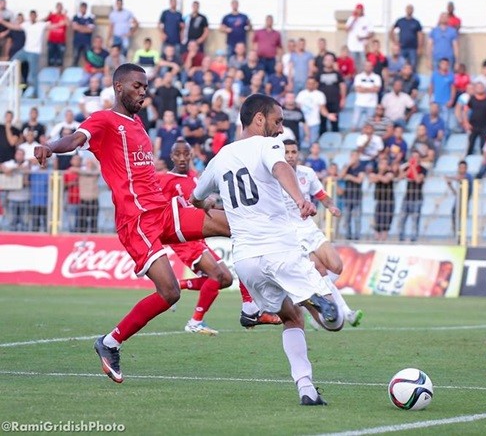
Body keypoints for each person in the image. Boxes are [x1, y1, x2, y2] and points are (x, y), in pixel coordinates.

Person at [32, 63, 233, 384]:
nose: (143, 92)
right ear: (119, 87)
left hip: (162, 210)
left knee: (232, 222)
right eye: (137, 86)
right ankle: (110, 342)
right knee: (169, 293)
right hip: (136, 220)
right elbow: (74, 139)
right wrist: (49, 148)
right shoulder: (104, 120)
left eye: (145, 87)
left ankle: (254, 303)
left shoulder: (137, 123)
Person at [191, 94, 343, 406]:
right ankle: (313, 297)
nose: (281, 128)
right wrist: (300, 199)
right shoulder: (267, 145)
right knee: (335, 321)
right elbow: (281, 168)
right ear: (259, 119)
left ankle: (306, 389)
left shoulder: (220, 158)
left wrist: (208, 202)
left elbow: (195, 198)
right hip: (279, 250)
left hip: (246, 262)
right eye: (278, 121)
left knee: (291, 317)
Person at [158, 139, 281, 333]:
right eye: (177, 154)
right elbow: (158, 212)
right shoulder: (165, 180)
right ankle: (196, 321)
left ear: (192, 155)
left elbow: (200, 206)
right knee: (218, 273)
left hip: (198, 237)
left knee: (225, 279)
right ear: (171, 156)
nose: (182, 158)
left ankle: (179, 286)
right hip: (184, 241)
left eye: (186, 154)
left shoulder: (194, 177)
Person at [283, 140, 363, 326]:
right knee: (319, 269)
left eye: (294, 152)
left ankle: (309, 300)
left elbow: (322, 196)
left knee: (336, 266)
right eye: (287, 152)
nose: (290, 156)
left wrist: (331, 206)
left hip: (310, 228)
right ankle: (346, 312)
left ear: (298, 154)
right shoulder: (274, 178)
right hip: (292, 233)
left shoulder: (307, 173)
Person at [398, 150, 427, 242]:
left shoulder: (423, 169)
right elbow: (401, 177)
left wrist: (413, 168)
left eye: (416, 157)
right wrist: (409, 167)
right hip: (407, 197)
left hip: (417, 198)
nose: (415, 159)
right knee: (402, 218)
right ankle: (401, 237)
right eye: (413, 157)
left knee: (415, 220)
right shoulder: (408, 167)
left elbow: (418, 180)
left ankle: (414, 238)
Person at [340, 150, 365, 240]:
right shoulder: (347, 167)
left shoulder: (361, 167)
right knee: (347, 218)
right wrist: (349, 165)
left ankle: (357, 236)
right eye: (352, 156)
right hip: (347, 196)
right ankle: (348, 236)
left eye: (356, 156)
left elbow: (360, 180)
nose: (354, 158)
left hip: (357, 196)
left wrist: (350, 177)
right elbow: (341, 176)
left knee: (357, 218)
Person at [369, 155, 395, 241]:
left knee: (386, 221)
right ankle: (377, 239)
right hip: (379, 200)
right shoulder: (375, 171)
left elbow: (386, 180)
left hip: (389, 201)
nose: (383, 165)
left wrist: (378, 176)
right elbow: (372, 179)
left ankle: (383, 239)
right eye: (382, 163)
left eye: (385, 164)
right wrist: (380, 175)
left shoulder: (390, 172)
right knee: (377, 220)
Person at [391, 4, 423, 70]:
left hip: (413, 48)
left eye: (411, 9)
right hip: (402, 48)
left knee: (413, 65)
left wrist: (419, 48)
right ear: (405, 10)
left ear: (413, 11)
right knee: (401, 66)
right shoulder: (400, 21)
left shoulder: (416, 22)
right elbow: (391, 30)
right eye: (408, 9)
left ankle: (412, 77)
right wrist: (395, 42)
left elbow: (420, 35)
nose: (409, 10)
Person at [345, 3, 373, 69]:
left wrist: (362, 38)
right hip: (352, 47)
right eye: (358, 9)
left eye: (360, 9)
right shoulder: (351, 18)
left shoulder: (367, 19)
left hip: (362, 47)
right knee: (353, 65)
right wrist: (354, 20)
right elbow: (347, 29)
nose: (359, 11)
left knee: (363, 64)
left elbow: (371, 33)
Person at [71, 2, 95, 67]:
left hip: (87, 42)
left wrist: (79, 27)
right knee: (75, 57)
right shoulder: (75, 17)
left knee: (88, 58)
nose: (83, 9)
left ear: (86, 8)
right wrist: (85, 27)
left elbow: (90, 30)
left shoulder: (90, 18)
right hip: (77, 41)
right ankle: (74, 70)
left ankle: (88, 70)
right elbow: (74, 27)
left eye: (84, 8)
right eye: (82, 8)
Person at [45, 2, 68, 67]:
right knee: (50, 60)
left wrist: (65, 15)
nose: (59, 9)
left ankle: (59, 72)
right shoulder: (52, 16)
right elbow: (45, 23)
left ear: (62, 8)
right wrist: (48, 15)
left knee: (60, 61)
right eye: (58, 7)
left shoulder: (64, 16)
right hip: (51, 41)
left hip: (61, 41)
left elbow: (68, 24)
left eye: (60, 7)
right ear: (56, 8)